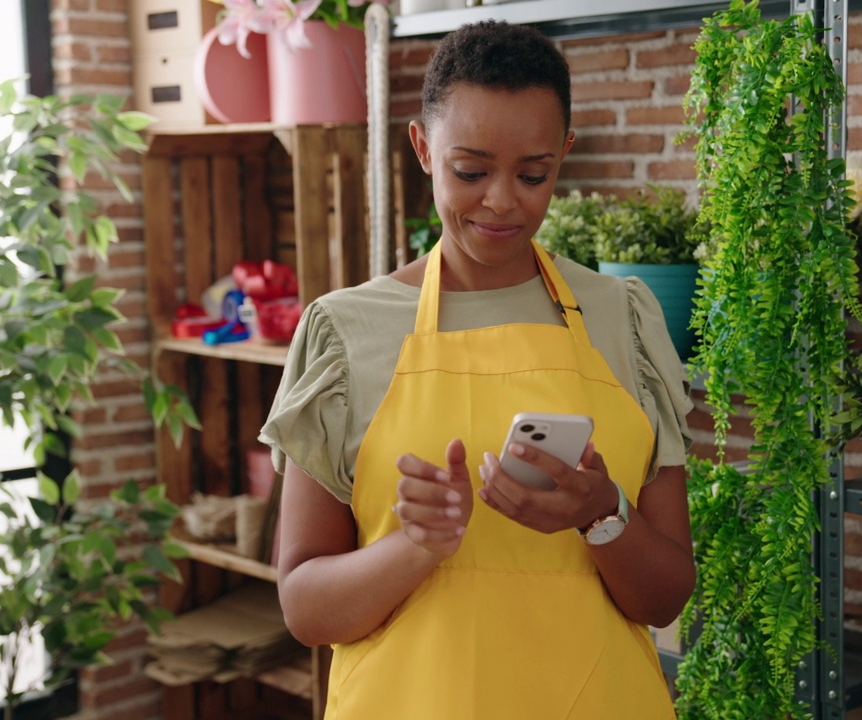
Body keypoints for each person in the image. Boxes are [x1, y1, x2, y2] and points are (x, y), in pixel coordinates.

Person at [260, 19, 696, 719]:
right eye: (471, 171)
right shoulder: (344, 333)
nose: (502, 200)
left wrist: (602, 514)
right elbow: (306, 610)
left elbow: (667, 594)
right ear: (423, 147)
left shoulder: (625, 319)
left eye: (534, 174)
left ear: (565, 155)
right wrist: (414, 546)